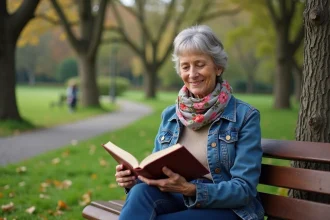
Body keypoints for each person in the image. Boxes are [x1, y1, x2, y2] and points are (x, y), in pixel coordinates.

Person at [115, 25, 264, 220]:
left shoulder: (245, 116)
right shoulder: (170, 114)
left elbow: (243, 190)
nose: (192, 74)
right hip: (177, 197)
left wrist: (191, 189)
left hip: (227, 209)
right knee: (139, 193)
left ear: (218, 67)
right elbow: (156, 173)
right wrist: (132, 180)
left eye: (200, 64)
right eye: (185, 66)